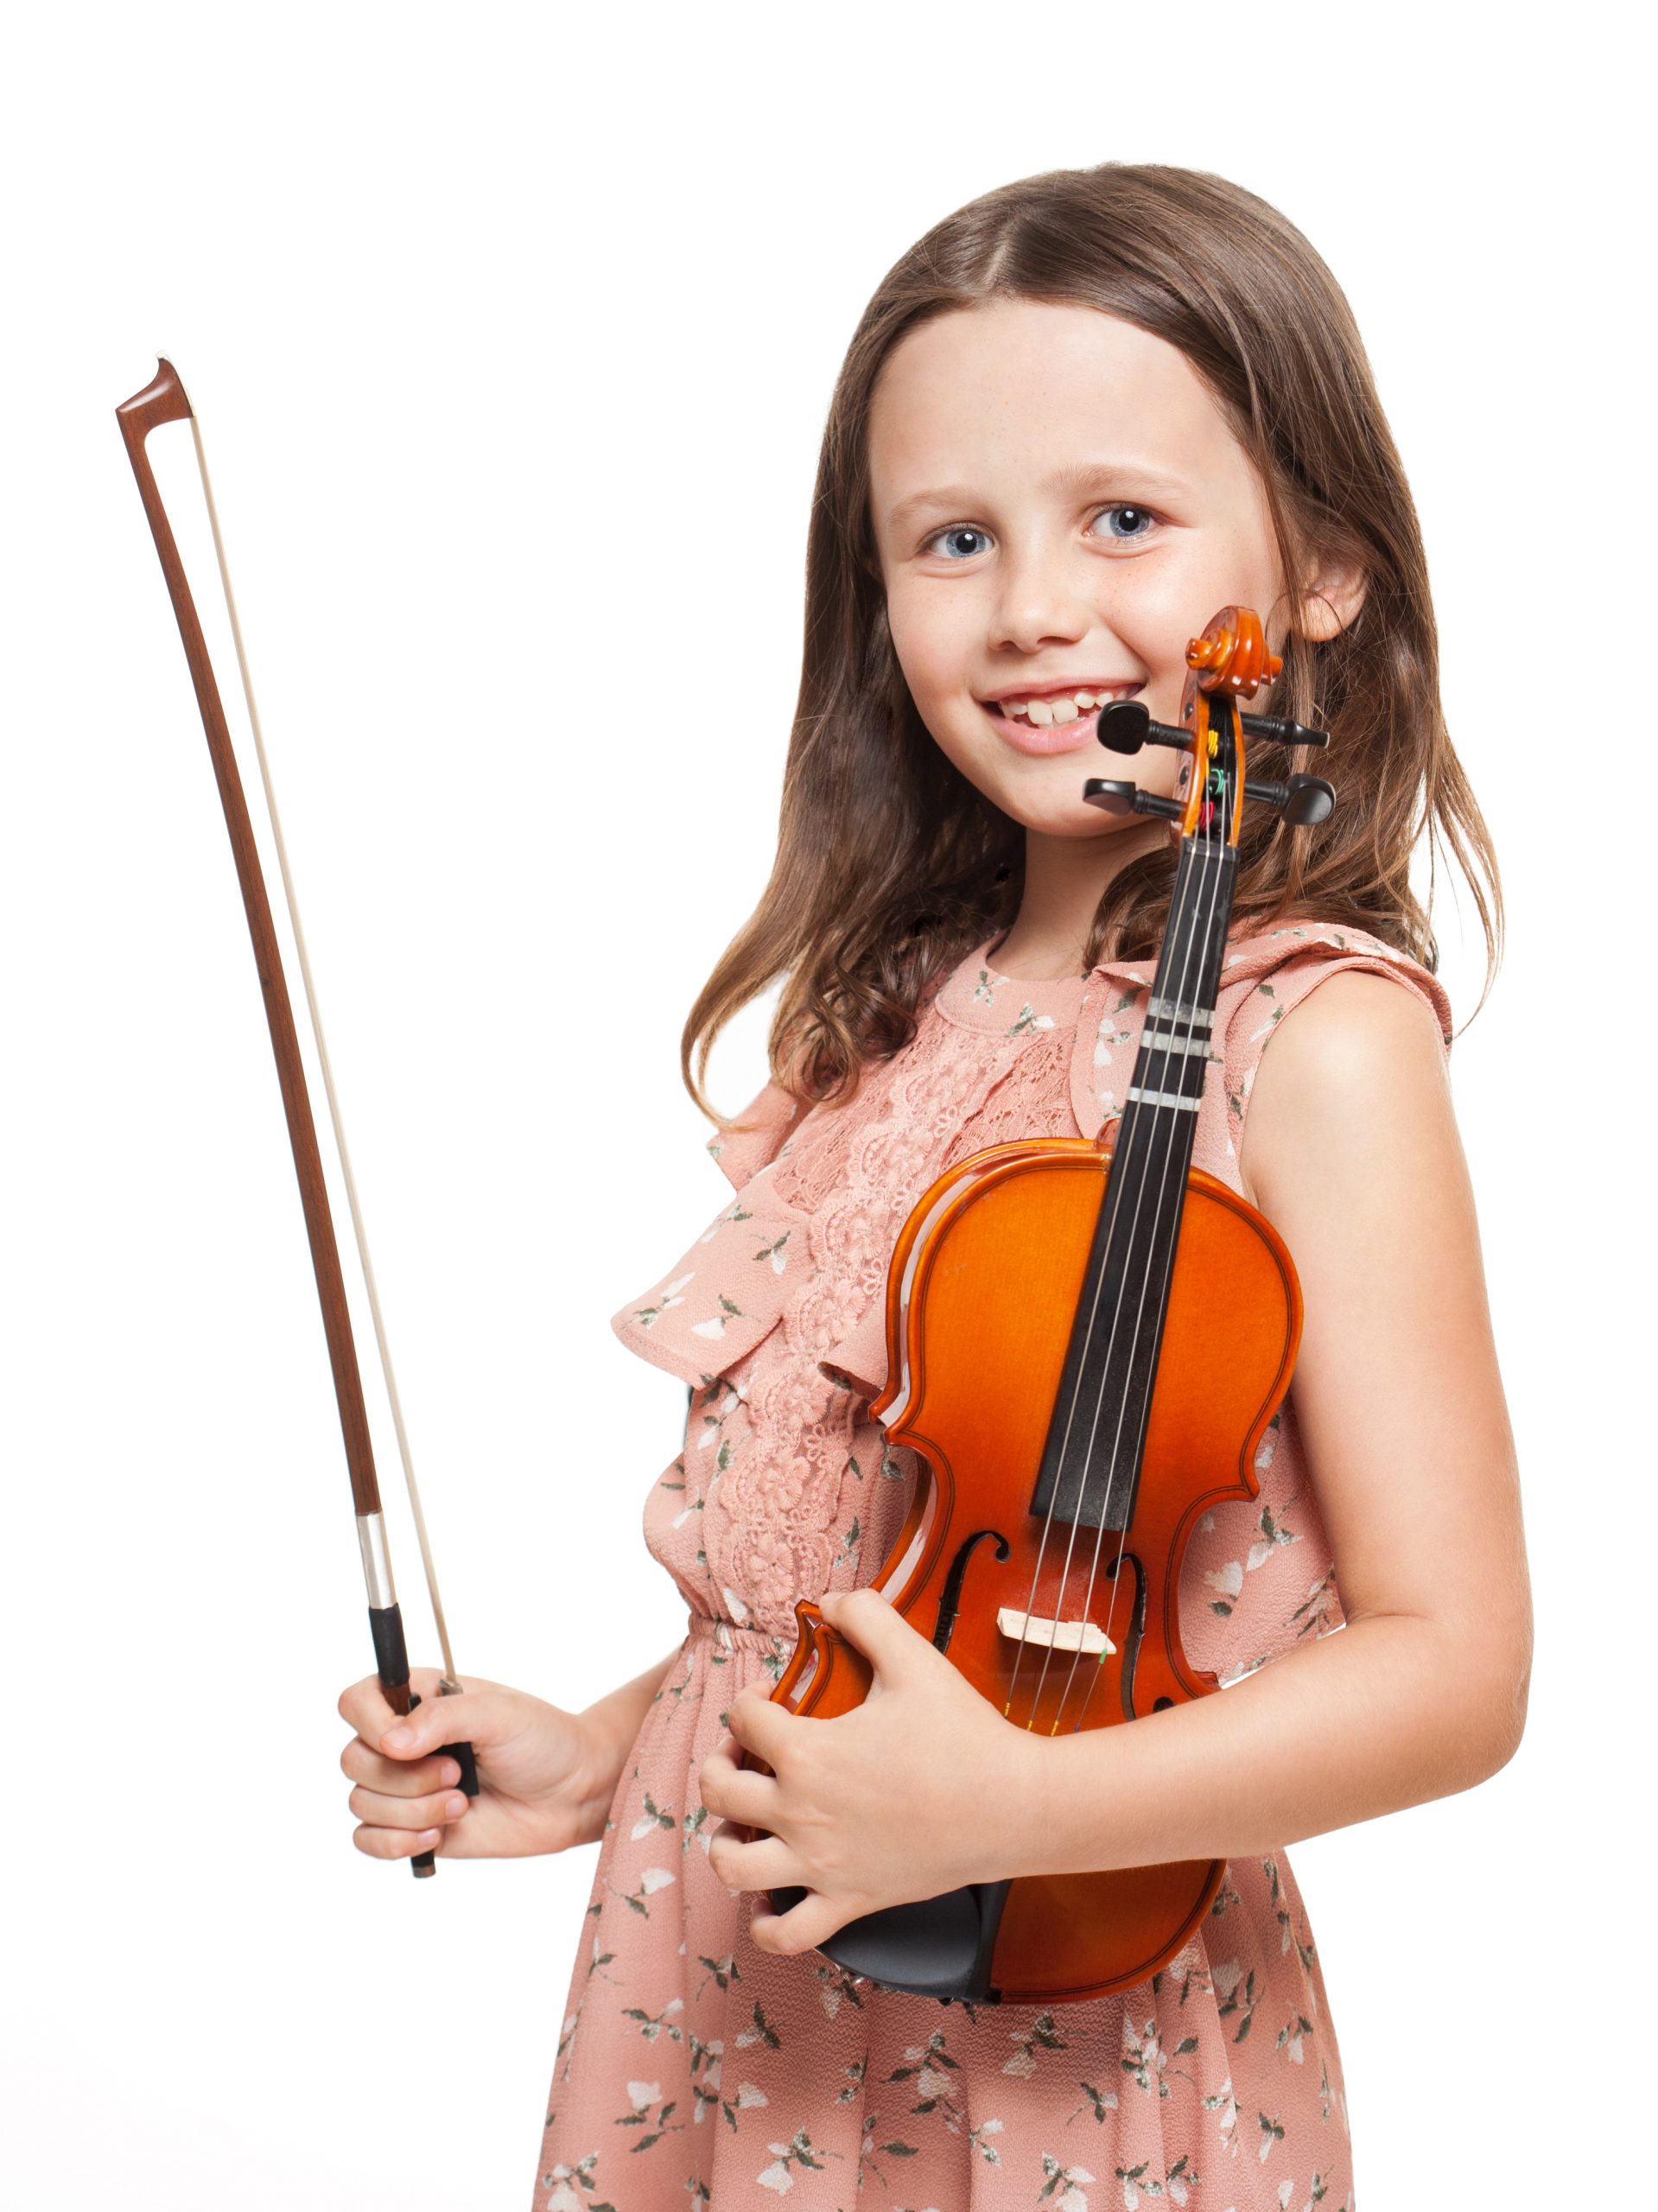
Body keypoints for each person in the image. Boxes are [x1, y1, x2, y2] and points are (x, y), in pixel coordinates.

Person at [336, 163, 1531, 2209]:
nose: (1034, 608)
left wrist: (1010, 1798)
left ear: (1320, 567)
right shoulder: (895, 1011)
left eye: (1123, 519)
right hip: (720, 1969)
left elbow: (1456, 1665)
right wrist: (612, 1741)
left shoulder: (1309, 1038)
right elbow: (886, 1583)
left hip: (1053, 2008)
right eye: (952, 539)